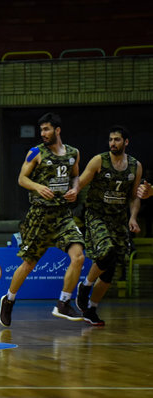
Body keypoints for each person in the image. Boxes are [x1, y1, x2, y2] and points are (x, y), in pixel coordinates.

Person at [0, 112, 85, 327]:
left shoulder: (73, 153)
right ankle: (8, 299)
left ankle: (63, 302)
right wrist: (38, 187)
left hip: (64, 214)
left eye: (47, 129)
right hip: (40, 215)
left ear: (57, 130)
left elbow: (75, 175)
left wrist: (75, 189)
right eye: (41, 130)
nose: (43, 134)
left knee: (78, 257)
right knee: (28, 264)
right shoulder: (36, 152)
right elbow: (22, 178)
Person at [73, 126, 142, 326]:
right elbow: (82, 181)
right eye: (111, 139)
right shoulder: (99, 160)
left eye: (117, 140)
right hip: (96, 215)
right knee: (107, 252)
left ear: (126, 142)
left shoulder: (135, 166)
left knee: (110, 270)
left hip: (119, 218)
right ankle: (85, 286)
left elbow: (134, 196)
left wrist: (133, 218)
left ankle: (92, 309)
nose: (113, 143)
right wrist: (73, 191)